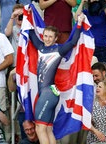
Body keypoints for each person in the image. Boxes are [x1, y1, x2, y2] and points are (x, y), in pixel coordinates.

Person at [27, 13, 85, 144]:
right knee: (47, 129)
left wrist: (79, 23)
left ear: (55, 38)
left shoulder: (59, 49)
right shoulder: (41, 47)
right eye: (45, 36)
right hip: (50, 92)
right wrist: (26, 14)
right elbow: (30, 33)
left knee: (39, 128)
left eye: (50, 37)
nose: (47, 39)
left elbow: (73, 41)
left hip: (48, 92)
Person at [5, 3, 24, 68]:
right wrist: (12, 16)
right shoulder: (12, 28)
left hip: (27, 64)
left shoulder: (30, 28)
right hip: (15, 64)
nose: (19, 17)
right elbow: (7, 33)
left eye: (21, 15)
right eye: (16, 15)